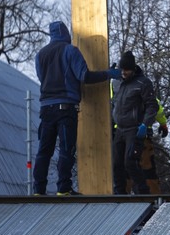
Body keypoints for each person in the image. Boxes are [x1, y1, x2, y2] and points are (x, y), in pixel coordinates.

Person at [33, 20, 122, 195]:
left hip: (45, 108)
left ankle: (38, 190)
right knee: (67, 149)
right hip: (65, 109)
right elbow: (84, 76)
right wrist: (108, 74)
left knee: (44, 150)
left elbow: (42, 78)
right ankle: (63, 188)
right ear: (66, 34)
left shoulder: (40, 55)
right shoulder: (70, 50)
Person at [109, 51, 160, 194]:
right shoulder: (118, 82)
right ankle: (119, 193)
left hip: (134, 129)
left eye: (127, 70)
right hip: (120, 129)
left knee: (130, 161)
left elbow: (152, 105)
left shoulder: (142, 83)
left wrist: (145, 124)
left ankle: (142, 192)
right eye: (122, 69)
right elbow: (113, 102)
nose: (124, 72)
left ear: (133, 69)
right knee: (117, 164)